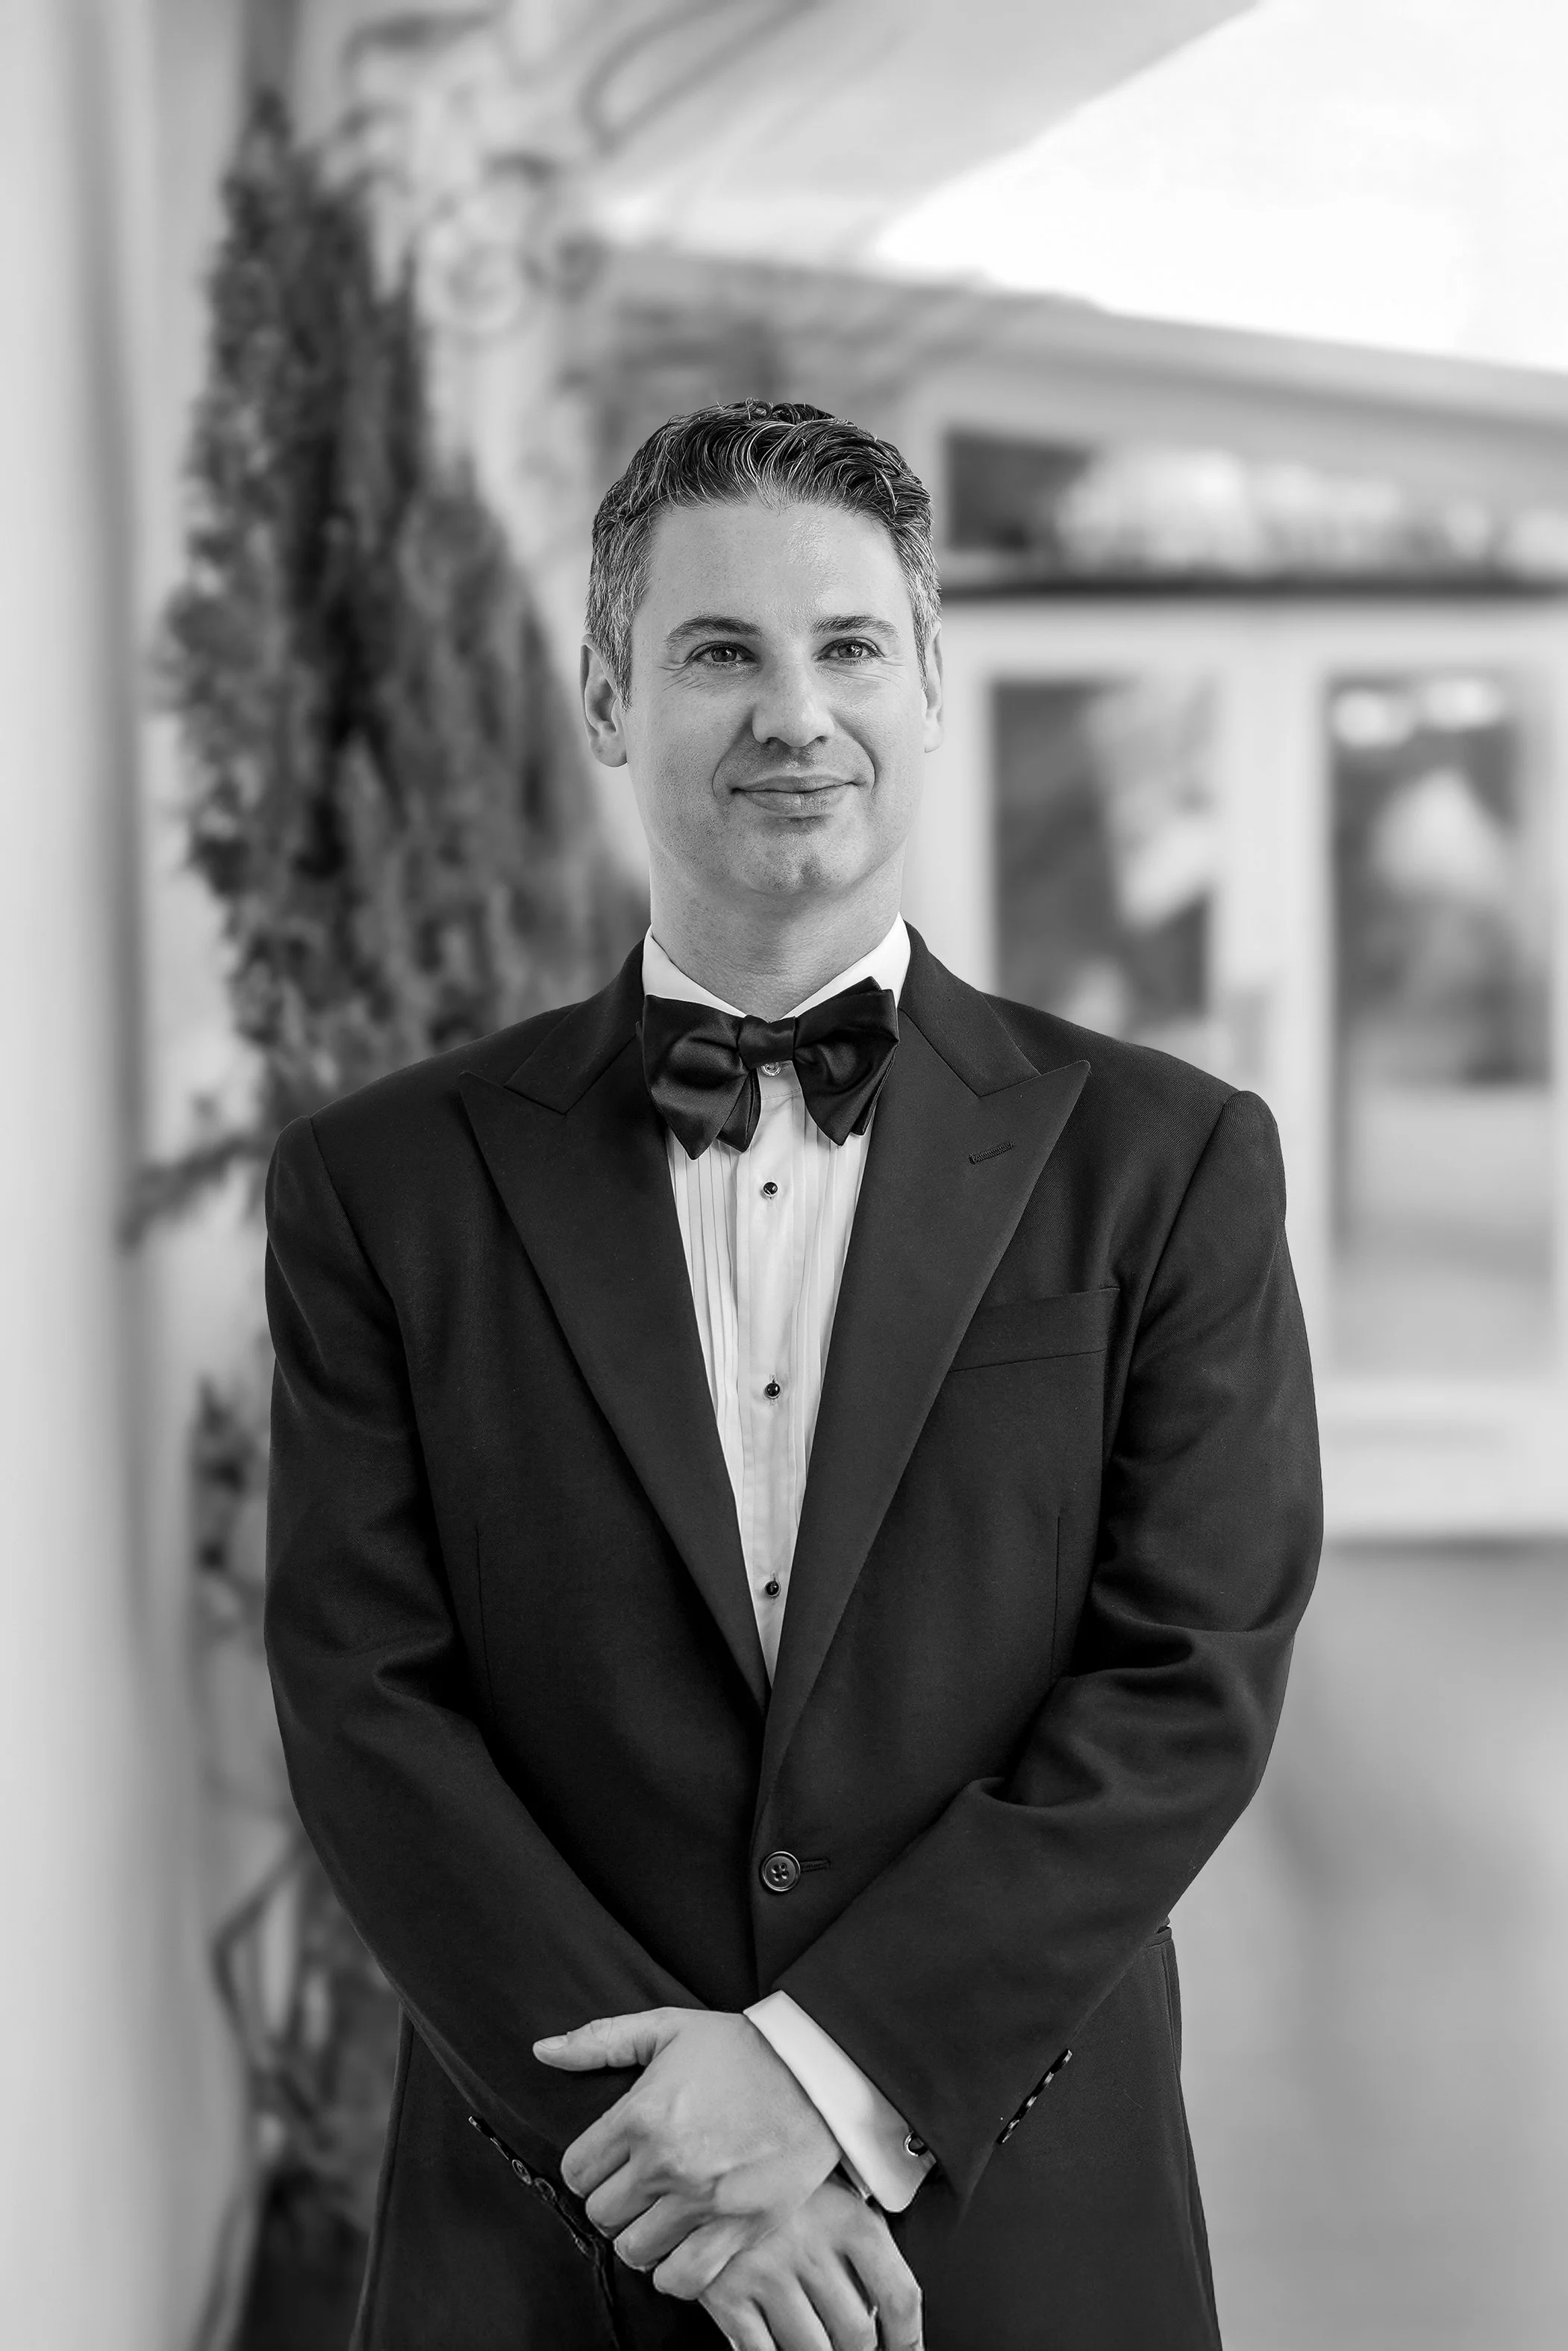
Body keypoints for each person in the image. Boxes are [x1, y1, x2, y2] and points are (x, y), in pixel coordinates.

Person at [263, 401, 1322, 2351]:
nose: (793, 712)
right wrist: (672, 2161)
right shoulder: (380, 1186)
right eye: (717, 652)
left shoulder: (1164, 1164)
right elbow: (362, 1699)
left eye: (847, 647)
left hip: (1005, 2217)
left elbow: (1187, 1679)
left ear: (926, 686)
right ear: (606, 696)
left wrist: (828, 2074)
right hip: (549, 2228)